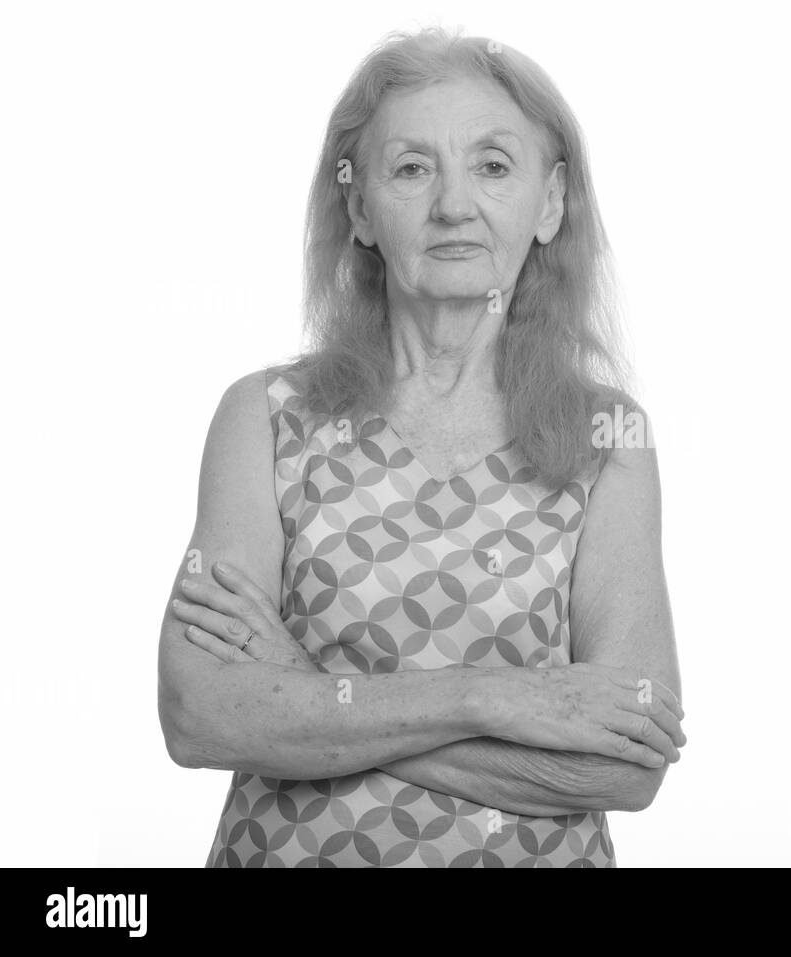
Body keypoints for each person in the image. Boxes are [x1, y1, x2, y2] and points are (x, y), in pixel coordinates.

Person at [157, 25, 684, 867]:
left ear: (550, 204)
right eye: (411, 168)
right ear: (360, 208)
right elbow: (197, 713)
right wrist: (497, 696)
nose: (452, 204)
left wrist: (302, 687)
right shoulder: (262, 416)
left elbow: (630, 760)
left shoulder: (608, 439)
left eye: (493, 165)